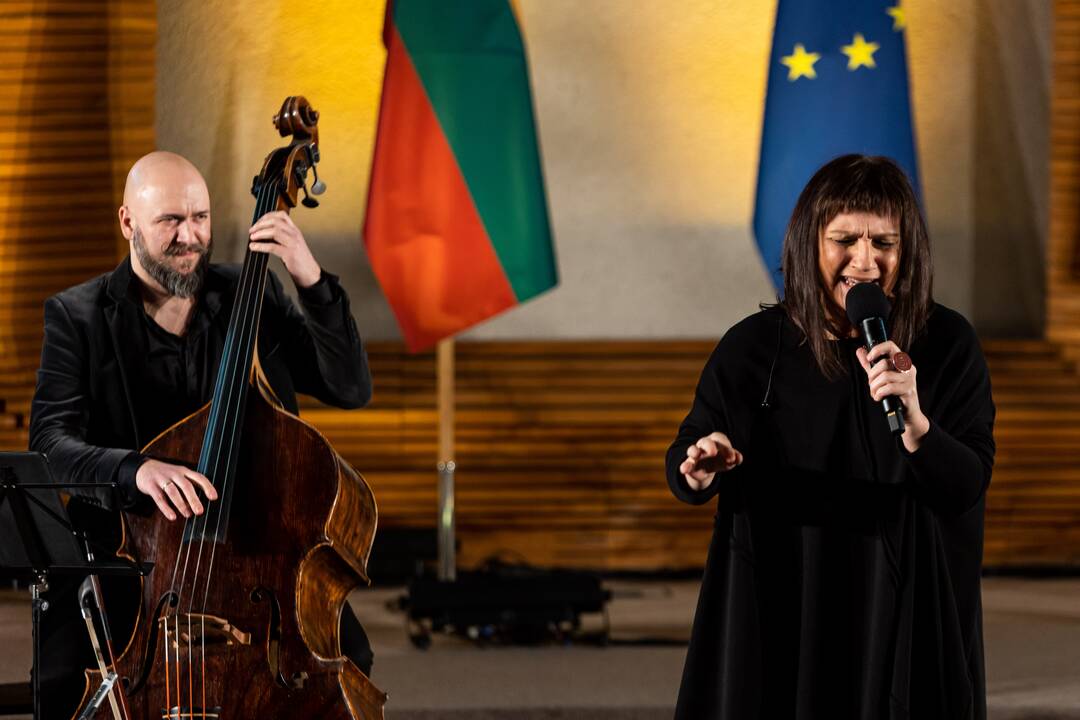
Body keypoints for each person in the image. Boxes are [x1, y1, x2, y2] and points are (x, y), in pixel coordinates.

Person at [28, 151, 375, 718]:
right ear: (127, 223)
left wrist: (310, 279)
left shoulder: (251, 293)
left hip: (255, 554)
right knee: (65, 676)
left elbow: (349, 387)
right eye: (169, 221)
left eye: (201, 218)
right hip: (135, 557)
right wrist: (132, 469)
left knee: (347, 655)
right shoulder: (78, 316)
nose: (189, 237)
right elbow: (51, 442)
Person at [667, 154, 995, 719]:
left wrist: (917, 423)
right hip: (785, 586)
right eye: (845, 239)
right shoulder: (752, 347)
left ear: (907, 250)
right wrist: (698, 467)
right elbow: (690, 453)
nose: (865, 261)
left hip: (904, 604)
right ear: (808, 243)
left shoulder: (947, 342)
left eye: (884, 243)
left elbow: (968, 482)